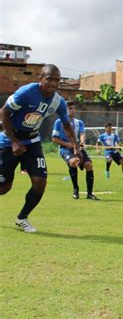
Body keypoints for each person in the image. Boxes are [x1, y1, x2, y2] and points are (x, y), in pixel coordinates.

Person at [0, 64, 81, 232]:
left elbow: (67, 123)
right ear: (41, 79)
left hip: (32, 142)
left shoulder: (58, 101)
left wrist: (76, 146)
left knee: (40, 182)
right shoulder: (26, 92)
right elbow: (4, 113)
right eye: (49, 79)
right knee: (4, 188)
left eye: (57, 80)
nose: (53, 83)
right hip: (9, 141)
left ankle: (22, 218)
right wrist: (15, 141)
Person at [52, 101, 99, 200]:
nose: (72, 110)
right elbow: (54, 138)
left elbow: (82, 134)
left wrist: (81, 142)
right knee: (73, 162)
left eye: (73, 108)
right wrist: (68, 144)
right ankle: (75, 189)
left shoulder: (79, 122)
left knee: (88, 165)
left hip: (77, 148)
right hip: (65, 149)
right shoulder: (59, 122)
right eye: (70, 108)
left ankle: (89, 194)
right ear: (65, 110)